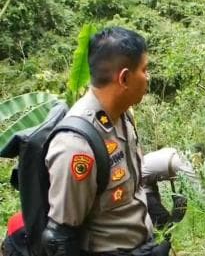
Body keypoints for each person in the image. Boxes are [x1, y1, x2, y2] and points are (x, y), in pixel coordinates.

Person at [40, 26, 167, 256]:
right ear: (124, 78)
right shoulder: (76, 145)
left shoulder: (123, 115)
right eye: (144, 70)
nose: (148, 77)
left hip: (142, 245)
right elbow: (60, 239)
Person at [1, 145, 205, 256]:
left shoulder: (84, 214)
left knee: (161, 223)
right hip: (20, 238)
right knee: (160, 220)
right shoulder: (67, 214)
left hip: (138, 180)